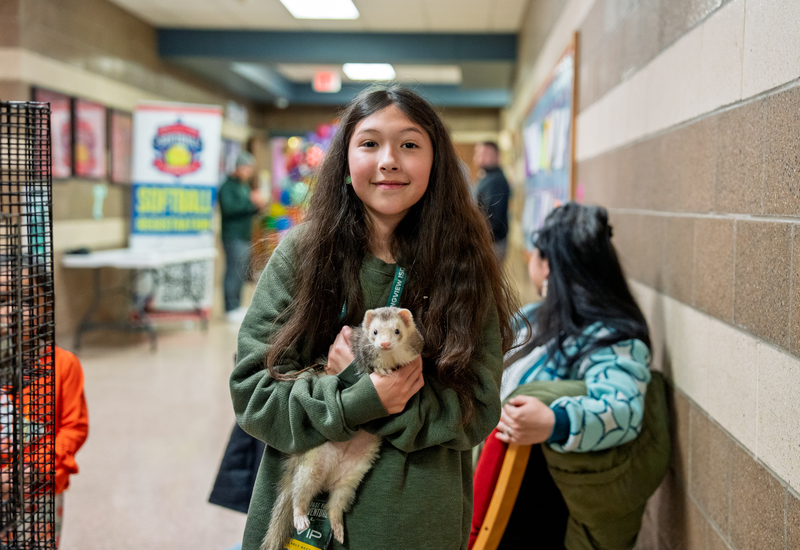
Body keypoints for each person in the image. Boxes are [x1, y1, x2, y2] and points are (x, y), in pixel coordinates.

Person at [230, 86, 520, 550]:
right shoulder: (302, 254)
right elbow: (253, 395)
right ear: (345, 160)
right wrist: (358, 397)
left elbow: (477, 410)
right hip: (304, 520)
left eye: (409, 144)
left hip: (413, 520)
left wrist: (386, 400)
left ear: (435, 163)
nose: (389, 160)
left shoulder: (462, 265)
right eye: (369, 143)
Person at [470, 203, 670, 550]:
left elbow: (622, 410)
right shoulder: (537, 316)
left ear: (548, 266)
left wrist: (555, 421)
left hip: (532, 515)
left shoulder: (612, 338)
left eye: (535, 252)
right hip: (485, 482)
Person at [1, 262, 89, 548]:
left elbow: (74, 427)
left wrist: (38, 466)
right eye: (2, 300)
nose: (13, 311)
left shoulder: (63, 365)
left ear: (45, 305)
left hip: (41, 491)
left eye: (26, 300)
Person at [219, 151, 266, 324]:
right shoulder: (227, 187)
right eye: (246, 168)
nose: (248, 172)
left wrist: (258, 206)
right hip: (233, 235)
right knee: (233, 270)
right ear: (238, 167)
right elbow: (230, 209)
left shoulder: (244, 186)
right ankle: (229, 307)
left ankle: (237, 305)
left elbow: (248, 208)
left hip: (245, 235)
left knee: (240, 271)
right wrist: (250, 203)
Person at [473, 141, 510, 261]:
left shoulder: (496, 181)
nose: (480, 158)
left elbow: (493, 217)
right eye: (479, 153)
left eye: (485, 154)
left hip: (492, 244)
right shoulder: (487, 177)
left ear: (497, 156)